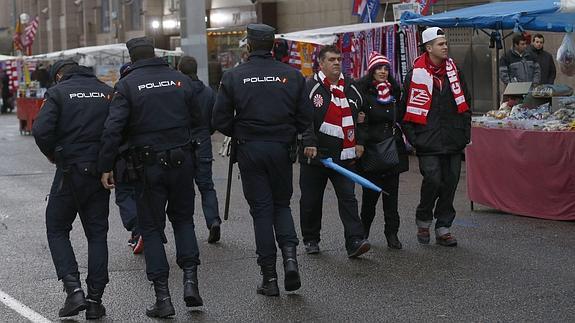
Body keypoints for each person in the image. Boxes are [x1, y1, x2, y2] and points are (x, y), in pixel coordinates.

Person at [98, 37, 203, 318]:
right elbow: (199, 117)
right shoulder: (179, 79)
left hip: (147, 167)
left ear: (132, 58)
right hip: (182, 160)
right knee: (183, 221)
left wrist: (106, 165)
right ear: (154, 53)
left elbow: (113, 129)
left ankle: (163, 298)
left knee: (152, 228)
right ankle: (191, 283)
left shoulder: (128, 85)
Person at [212, 23, 313, 297]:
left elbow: (219, 119)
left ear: (248, 46)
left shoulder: (233, 76)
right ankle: (291, 260)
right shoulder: (292, 76)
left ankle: (269, 277)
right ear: (272, 46)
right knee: (282, 206)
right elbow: (305, 117)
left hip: (250, 148)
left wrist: (241, 130)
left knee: (261, 212)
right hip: (281, 148)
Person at [32, 59, 113, 319]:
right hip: (99, 171)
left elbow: (41, 130)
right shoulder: (106, 90)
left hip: (69, 170)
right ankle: (95, 300)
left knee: (56, 228)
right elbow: (118, 130)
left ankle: (73, 289)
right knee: (97, 234)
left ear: (58, 76)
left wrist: (54, 154)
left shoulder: (57, 93)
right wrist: (108, 163)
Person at [401, 27, 471, 247]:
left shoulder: (455, 71)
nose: (445, 47)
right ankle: (423, 220)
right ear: (429, 48)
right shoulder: (415, 75)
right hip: (427, 140)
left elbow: (467, 103)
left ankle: (443, 227)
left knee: (450, 183)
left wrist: (464, 134)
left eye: (446, 43)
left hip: (453, 139)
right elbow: (404, 111)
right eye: (441, 44)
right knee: (433, 179)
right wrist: (415, 139)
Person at [299, 45, 371, 258]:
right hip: (316, 155)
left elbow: (364, 116)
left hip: (344, 155)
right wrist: (309, 142)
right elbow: (303, 118)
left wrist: (360, 141)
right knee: (311, 200)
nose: (337, 63)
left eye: (339, 59)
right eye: (332, 59)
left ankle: (354, 241)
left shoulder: (351, 87)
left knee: (348, 198)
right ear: (321, 64)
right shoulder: (310, 86)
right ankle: (311, 239)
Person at [356, 51, 409, 249]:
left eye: (386, 68)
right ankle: (363, 233)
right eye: (379, 68)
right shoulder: (365, 94)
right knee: (369, 198)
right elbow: (361, 123)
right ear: (371, 71)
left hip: (392, 149)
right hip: (372, 152)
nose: (383, 71)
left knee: (391, 197)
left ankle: (392, 234)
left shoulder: (395, 94)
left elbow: (402, 116)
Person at [178, 56, 222, 243]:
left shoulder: (178, 91)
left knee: (184, 188)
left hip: (184, 142)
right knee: (206, 185)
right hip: (203, 141)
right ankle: (213, 220)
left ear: (180, 70)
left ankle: (187, 228)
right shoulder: (208, 92)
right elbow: (215, 120)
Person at [112, 62, 144, 254]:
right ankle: (147, 231)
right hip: (150, 155)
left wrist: (106, 161)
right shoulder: (148, 88)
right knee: (145, 195)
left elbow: (113, 128)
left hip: (125, 156)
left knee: (124, 195)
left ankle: (138, 229)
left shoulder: (122, 91)